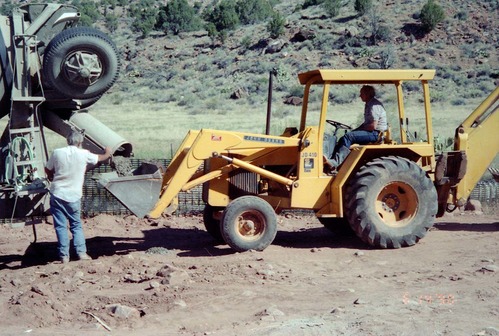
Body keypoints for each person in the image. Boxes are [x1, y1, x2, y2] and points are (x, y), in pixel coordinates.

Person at [45, 129, 111, 264]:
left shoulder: (57, 152)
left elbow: (47, 168)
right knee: (76, 225)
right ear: (80, 142)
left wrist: (51, 176)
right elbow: (101, 158)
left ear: (67, 140)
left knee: (60, 226)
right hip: (74, 195)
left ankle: (64, 256)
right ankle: (81, 253)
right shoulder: (84, 154)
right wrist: (108, 151)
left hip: (57, 193)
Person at [328, 85, 387, 169]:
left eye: (361, 93)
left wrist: (354, 132)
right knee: (344, 138)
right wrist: (355, 130)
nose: (360, 96)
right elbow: (366, 123)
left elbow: (372, 126)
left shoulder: (374, 106)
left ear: (367, 94)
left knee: (348, 137)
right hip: (372, 132)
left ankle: (336, 163)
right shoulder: (369, 104)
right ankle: (332, 161)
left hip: (376, 134)